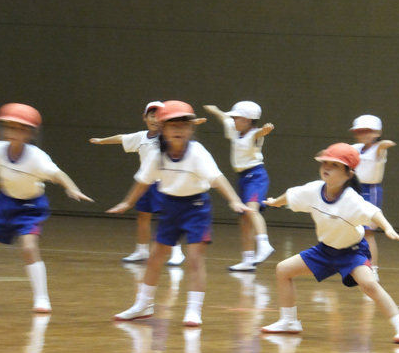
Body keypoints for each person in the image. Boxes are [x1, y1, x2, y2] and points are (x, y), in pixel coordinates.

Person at [107, 100, 248, 325]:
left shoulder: (197, 152)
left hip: (196, 209)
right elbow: (143, 182)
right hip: (170, 207)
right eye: (173, 126)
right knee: (154, 258)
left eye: (184, 126)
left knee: (194, 259)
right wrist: (127, 203)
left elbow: (216, 178)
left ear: (192, 129)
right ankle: (143, 305)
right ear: (162, 129)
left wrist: (234, 200)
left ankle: (194, 310)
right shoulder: (157, 155)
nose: (179, 130)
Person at [0, 103, 93, 312]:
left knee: (28, 248)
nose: (12, 132)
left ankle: (42, 299)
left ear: (29, 134)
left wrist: (72, 188)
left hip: (31, 206)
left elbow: (58, 174)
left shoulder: (37, 158)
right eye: (8, 127)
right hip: (5, 203)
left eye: (18, 128)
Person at [260, 142, 399, 344]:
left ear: (348, 174)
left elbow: (373, 212)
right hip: (325, 251)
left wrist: (387, 228)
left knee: (369, 284)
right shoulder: (314, 190)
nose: (327, 168)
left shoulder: (351, 199)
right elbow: (290, 195)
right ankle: (289, 322)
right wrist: (274, 203)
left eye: (334, 165)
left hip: (352, 252)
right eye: (325, 163)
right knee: (283, 270)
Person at [89, 101, 185, 266]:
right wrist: (101, 140)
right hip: (145, 183)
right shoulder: (141, 137)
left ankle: (177, 252)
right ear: (145, 117)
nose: (155, 119)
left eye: (159, 116)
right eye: (151, 115)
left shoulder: (167, 135)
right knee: (142, 217)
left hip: (164, 183)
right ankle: (141, 251)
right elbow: (122, 138)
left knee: (168, 218)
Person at [202, 101, 275, 271]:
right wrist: (215, 109)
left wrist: (266, 129)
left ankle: (264, 244)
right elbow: (223, 118)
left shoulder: (254, 134)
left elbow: (260, 133)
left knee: (251, 210)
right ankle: (248, 260)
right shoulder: (235, 130)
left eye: (236, 118)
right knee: (243, 218)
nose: (233, 120)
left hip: (256, 176)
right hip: (243, 177)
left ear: (247, 120)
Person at [350, 115, 395, 280]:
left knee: (367, 233)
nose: (363, 134)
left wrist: (383, 145)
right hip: (352, 190)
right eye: (360, 131)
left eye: (368, 131)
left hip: (370, 191)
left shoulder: (378, 149)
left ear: (377, 132)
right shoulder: (355, 147)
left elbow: (380, 148)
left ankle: (373, 268)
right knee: (348, 228)